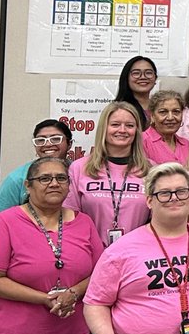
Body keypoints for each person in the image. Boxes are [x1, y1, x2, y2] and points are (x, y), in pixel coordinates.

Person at [83, 162, 189, 334]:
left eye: (181, 191)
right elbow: (95, 303)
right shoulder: (120, 250)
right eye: (164, 193)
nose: (174, 198)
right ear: (149, 200)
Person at [0, 157, 103, 334]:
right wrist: (43, 298)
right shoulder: (6, 222)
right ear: (28, 186)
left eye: (61, 178)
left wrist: (72, 293)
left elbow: (101, 274)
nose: (54, 183)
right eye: (45, 178)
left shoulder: (84, 222)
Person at [64, 102, 152, 246]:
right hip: (90, 253)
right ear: (104, 129)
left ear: (137, 131)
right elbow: (69, 218)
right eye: (115, 124)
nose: (122, 130)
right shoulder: (79, 168)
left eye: (129, 125)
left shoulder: (152, 170)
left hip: (137, 255)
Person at [0, 119, 73, 218]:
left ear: (69, 144)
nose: (47, 144)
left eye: (56, 139)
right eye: (40, 140)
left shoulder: (81, 173)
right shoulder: (17, 178)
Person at [143, 90, 189, 165]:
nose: (170, 118)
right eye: (163, 112)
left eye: (176, 112)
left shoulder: (187, 144)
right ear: (152, 116)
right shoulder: (141, 141)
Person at [113, 56, 157, 128]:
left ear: (155, 78)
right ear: (126, 78)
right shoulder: (119, 109)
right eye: (136, 73)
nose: (143, 77)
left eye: (148, 73)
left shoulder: (160, 107)